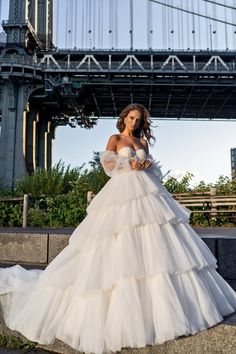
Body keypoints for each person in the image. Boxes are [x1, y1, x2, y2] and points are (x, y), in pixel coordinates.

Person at [0, 103, 236, 354]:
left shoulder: (142, 141)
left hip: (148, 193)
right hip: (122, 192)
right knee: (118, 238)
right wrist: (129, 165)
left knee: (157, 239)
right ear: (124, 118)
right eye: (132, 117)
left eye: (139, 119)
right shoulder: (115, 138)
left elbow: (154, 170)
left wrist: (145, 166)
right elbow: (109, 166)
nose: (134, 122)